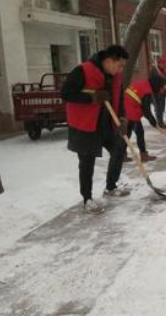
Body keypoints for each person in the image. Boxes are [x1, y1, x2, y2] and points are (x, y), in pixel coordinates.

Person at [62, 45, 131, 214]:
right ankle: (87, 199)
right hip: (85, 124)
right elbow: (65, 93)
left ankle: (110, 187)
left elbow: (119, 98)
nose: (121, 69)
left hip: (106, 123)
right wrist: (92, 97)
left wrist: (122, 118)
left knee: (119, 148)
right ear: (108, 61)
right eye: (119, 65)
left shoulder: (115, 77)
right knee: (87, 162)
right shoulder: (82, 71)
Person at [123, 76, 166, 161]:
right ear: (156, 85)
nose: (161, 89)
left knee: (128, 134)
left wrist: (151, 119)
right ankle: (141, 156)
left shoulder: (143, 84)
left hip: (124, 108)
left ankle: (122, 155)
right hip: (130, 110)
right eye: (161, 86)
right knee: (134, 133)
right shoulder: (147, 90)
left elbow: (142, 105)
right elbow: (146, 109)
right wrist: (152, 121)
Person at [149, 56, 166, 128]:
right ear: (160, 63)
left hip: (162, 93)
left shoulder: (162, 71)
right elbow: (153, 81)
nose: (165, 66)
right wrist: (159, 88)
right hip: (156, 92)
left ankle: (160, 121)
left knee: (162, 108)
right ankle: (160, 123)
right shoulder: (154, 71)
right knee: (159, 108)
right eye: (164, 64)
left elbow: (164, 81)